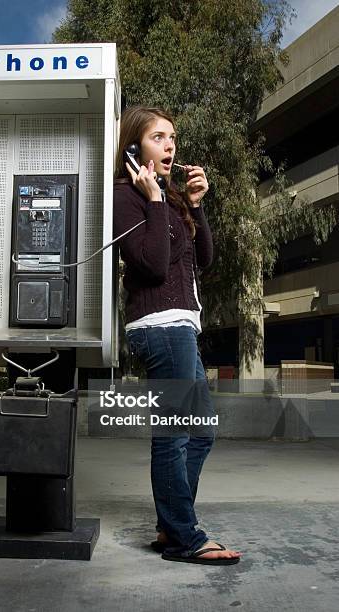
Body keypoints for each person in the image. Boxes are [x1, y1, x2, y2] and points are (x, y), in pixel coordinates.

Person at [113, 105, 241, 565]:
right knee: (175, 435)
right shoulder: (127, 196)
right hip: (158, 327)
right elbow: (150, 264)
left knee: (200, 433)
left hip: (181, 325)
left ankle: (173, 527)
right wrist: (150, 201)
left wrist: (194, 205)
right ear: (134, 147)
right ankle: (184, 536)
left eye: (173, 138)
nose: (170, 146)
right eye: (158, 137)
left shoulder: (168, 198)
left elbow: (202, 260)